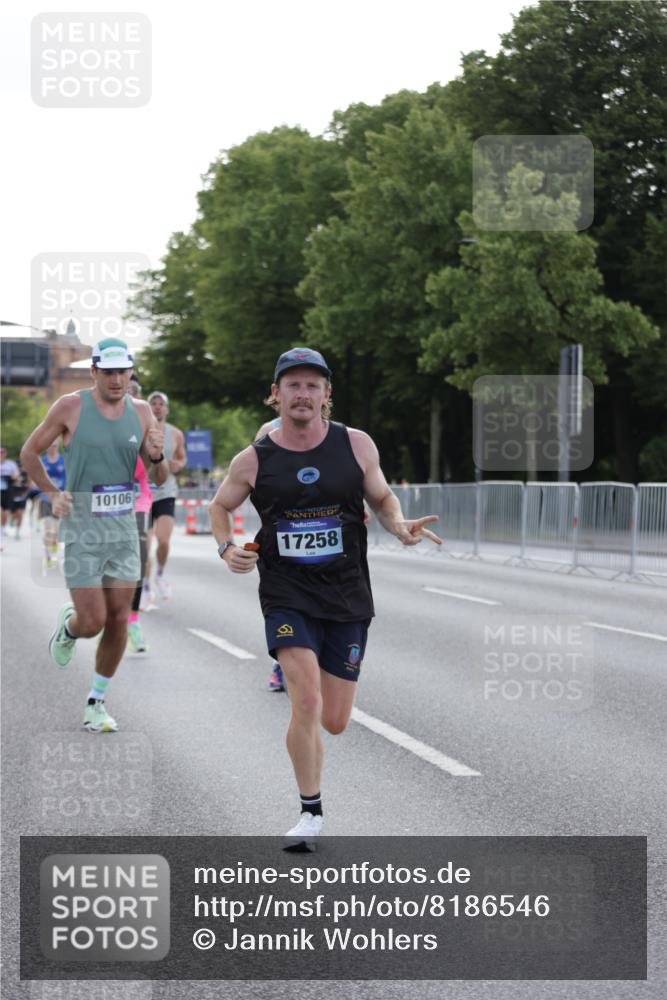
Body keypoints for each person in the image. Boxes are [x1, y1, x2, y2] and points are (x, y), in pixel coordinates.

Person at [209, 347, 441, 842]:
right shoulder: (253, 460)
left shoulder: (355, 445)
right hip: (286, 592)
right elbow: (219, 506)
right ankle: (310, 811)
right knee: (306, 698)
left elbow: (381, 497)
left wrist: (398, 525)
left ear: (326, 394)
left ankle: (312, 797)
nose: (302, 393)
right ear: (276, 394)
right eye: (292, 384)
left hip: (346, 594)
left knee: (334, 720)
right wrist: (227, 547)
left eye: (313, 384)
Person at [20, 337, 168, 733]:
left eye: (124, 372)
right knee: (93, 621)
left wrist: (157, 455)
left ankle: (96, 701)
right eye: (109, 372)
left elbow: (159, 477)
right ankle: (70, 628)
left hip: (124, 529)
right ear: (95, 372)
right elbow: (29, 452)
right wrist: (52, 494)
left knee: (119, 618)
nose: (117, 379)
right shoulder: (69, 406)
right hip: (84, 528)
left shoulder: (140, 413)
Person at [144, 391, 186, 601]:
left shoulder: (176, 434)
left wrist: (177, 465)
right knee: (146, 543)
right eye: (153, 403)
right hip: (144, 493)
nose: (158, 407)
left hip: (167, 491)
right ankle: (144, 585)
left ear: (167, 409)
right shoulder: (142, 431)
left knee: (163, 540)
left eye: (161, 404)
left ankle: (159, 575)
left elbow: (181, 458)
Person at [126, 374, 151, 652]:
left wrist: (155, 456)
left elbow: (159, 470)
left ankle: (132, 619)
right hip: (101, 503)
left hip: (138, 499)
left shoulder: (145, 422)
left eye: (134, 391)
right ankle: (106, 617)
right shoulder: (100, 422)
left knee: (139, 558)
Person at [37, 443, 67, 570]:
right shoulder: (42, 461)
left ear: (57, 446)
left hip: (61, 499)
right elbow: (37, 477)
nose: (52, 448)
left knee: (58, 530)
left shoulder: (64, 460)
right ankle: (48, 557)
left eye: (54, 445)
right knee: (49, 528)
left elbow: (70, 478)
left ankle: (55, 542)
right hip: (46, 499)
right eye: (49, 445)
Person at [0, 447, 20, 540]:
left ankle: (3, 527)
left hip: (7, 490)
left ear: (5, 454)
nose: (1, 454)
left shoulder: (10, 464)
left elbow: (17, 475)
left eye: (2, 452)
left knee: (5, 512)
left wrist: (14, 476)